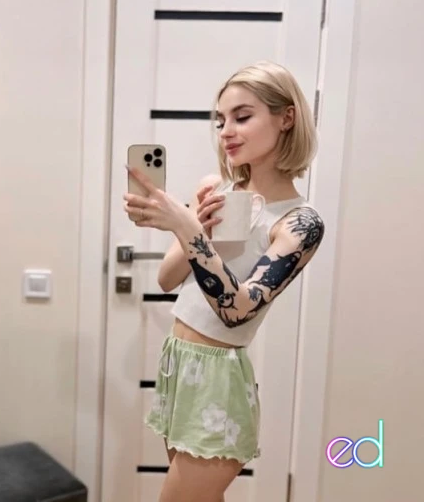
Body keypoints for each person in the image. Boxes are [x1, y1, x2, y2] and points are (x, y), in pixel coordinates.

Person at [123, 60, 325, 502]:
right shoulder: (223, 193)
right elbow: (167, 277)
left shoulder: (300, 222)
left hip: (218, 376)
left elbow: (237, 310)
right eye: (220, 121)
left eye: (242, 117)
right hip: (179, 363)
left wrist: (188, 228)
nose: (226, 132)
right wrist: (194, 224)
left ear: (286, 117)